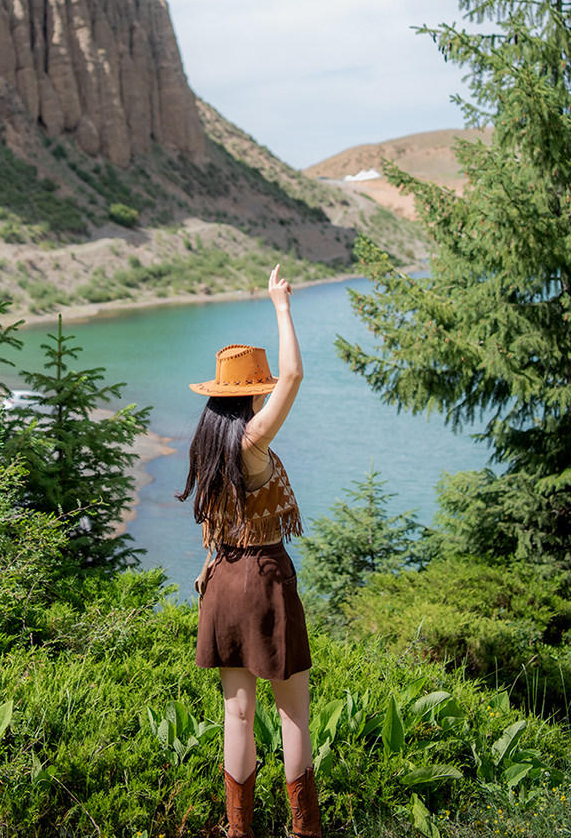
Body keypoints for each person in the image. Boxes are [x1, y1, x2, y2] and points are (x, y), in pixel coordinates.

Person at [177, 264, 321, 838]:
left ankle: (239, 830)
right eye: (260, 387)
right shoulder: (252, 441)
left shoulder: (208, 444)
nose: (266, 391)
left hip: (221, 583)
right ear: (251, 392)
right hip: (264, 579)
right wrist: (281, 305)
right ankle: (304, 830)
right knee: (294, 714)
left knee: (236, 715)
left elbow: (215, 526)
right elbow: (294, 375)